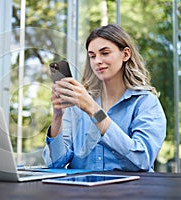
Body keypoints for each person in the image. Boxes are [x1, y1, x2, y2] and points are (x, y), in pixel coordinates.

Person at [42, 24, 166, 172]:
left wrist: (94, 110)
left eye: (105, 53)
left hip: (130, 191)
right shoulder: (78, 104)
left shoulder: (145, 102)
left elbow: (142, 160)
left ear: (125, 54)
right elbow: (55, 163)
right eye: (92, 56)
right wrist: (57, 116)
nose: (97, 61)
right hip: (82, 191)